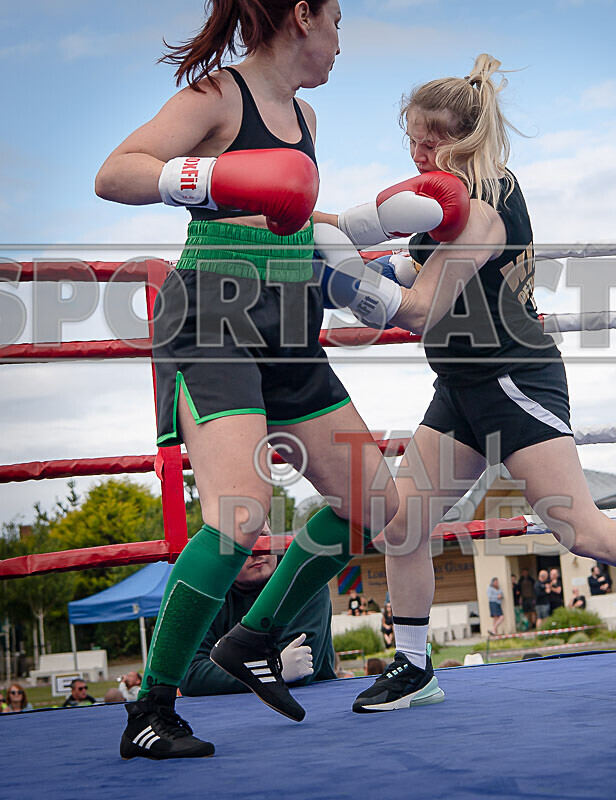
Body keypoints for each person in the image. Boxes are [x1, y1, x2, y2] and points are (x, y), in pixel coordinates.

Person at [332, 53, 616, 713]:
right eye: (411, 141)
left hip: (513, 380)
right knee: (403, 526)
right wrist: (319, 240)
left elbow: (421, 307)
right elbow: (411, 272)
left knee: (578, 529)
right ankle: (414, 667)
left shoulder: (489, 202)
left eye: (430, 141)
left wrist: (339, 278)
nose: (418, 155)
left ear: (465, 139)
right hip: (460, 388)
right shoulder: (438, 206)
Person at [94, 0, 458, 759]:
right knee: (239, 514)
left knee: (376, 507)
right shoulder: (217, 96)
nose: (340, 44)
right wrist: (212, 173)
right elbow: (116, 173)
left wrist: (372, 227)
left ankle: (255, 635)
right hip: (214, 319)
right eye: (337, 22)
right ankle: (151, 709)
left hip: (290, 326)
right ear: (302, 17)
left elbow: (288, 216)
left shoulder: (306, 119)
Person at [181, 554, 335, 696]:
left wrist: (257, 671)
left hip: (309, 704)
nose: (257, 552)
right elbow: (190, 676)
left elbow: (301, 670)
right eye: (245, 542)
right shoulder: (205, 590)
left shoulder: (305, 578)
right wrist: (273, 669)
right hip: (227, 711)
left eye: (264, 538)